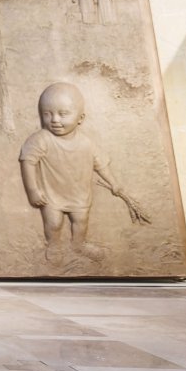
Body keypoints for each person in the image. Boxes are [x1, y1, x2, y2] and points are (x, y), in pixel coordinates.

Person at [19, 82, 121, 262]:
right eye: (47, 114)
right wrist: (33, 190)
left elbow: (101, 165)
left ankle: (79, 244)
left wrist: (114, 183)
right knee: (53, 223)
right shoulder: (41, 139)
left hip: (80, 195)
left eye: (63, 114)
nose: (55, 120)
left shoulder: (87, 143)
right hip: (51, 196)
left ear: (80, 118)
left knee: (81, 222)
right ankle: (54, 245)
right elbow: (28, 161)